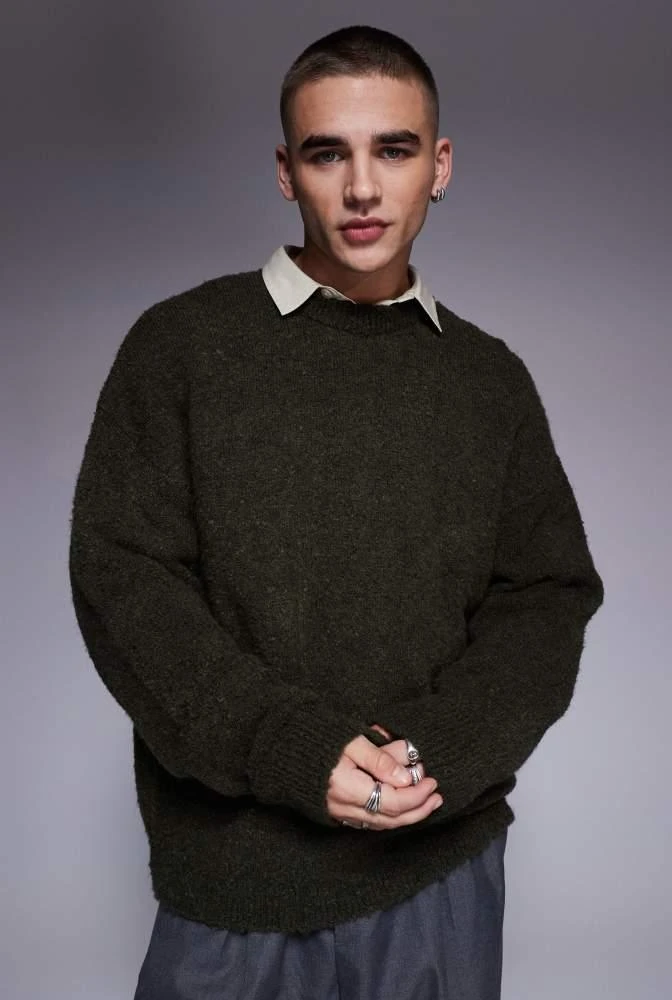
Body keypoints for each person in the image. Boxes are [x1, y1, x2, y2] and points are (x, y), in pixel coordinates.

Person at [68, 23, 604, 1000]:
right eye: (328, 154)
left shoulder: (489, 382)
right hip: (231, 884)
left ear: (440, 166)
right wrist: (290, 746)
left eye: (393, 150)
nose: (362, 188)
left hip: (437, 874)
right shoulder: (182, 348)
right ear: (287, 171)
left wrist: (438, 751)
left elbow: (546, 597)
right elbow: (125, 583)